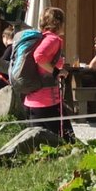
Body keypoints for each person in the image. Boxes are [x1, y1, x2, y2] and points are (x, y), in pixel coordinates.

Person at [23, 7, 69, 139]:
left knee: (39, 147)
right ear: (58, 22)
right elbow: (39, 56)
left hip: (33, 100)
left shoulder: (42, 38)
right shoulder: (52, 39)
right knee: (66, 141)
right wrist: (57, 72)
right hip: (47, 102)